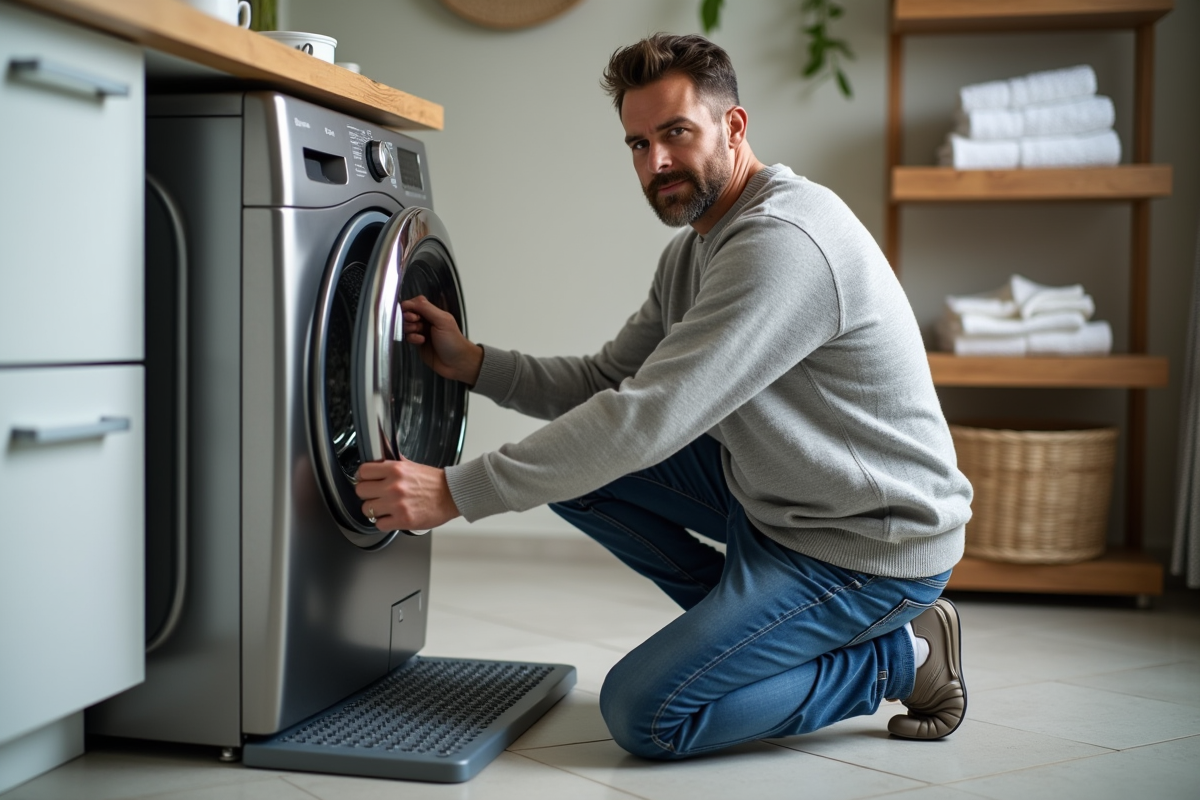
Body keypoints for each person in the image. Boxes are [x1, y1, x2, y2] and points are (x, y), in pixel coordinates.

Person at [355, 32, 973, 758]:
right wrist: (476, 364)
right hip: (781, 501)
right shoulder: (695, 250)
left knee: (645, 713)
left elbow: (646, 418)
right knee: (579, 475)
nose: (657, 164)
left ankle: (901, 656)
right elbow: (607, 385)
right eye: (638, 144)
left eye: (676, 133)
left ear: (733, 127)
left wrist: (458, 492)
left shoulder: (783, 244)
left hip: (867, 543)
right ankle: (755, 630)